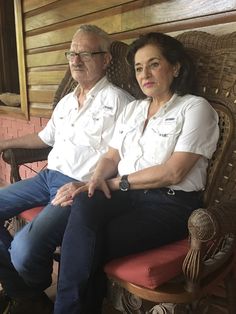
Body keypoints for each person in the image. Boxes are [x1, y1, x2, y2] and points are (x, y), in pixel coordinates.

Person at [52, 32, 219, 314]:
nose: (145, 74)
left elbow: (173, 172)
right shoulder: (133, 109)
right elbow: (110, 155)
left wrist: (116, 182)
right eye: (139, 68)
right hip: (129, 197)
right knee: (85, 200)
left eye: (154, 64)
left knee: (89, 245)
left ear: (175, 67)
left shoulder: (194, 108)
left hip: (169, 205)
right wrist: (95, 179)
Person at [0, 24, 134, 314]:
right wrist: (4, 142)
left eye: (85, 53)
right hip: (47, 177)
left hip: (81, 187)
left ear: (105, 59)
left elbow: (127, 156)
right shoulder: (66, 102)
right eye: (72, 53)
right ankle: (25, 293)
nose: (75, 60)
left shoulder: (122, 103)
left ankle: (30, 286)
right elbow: (43, 137)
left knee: (23, 251)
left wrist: (91, 183)